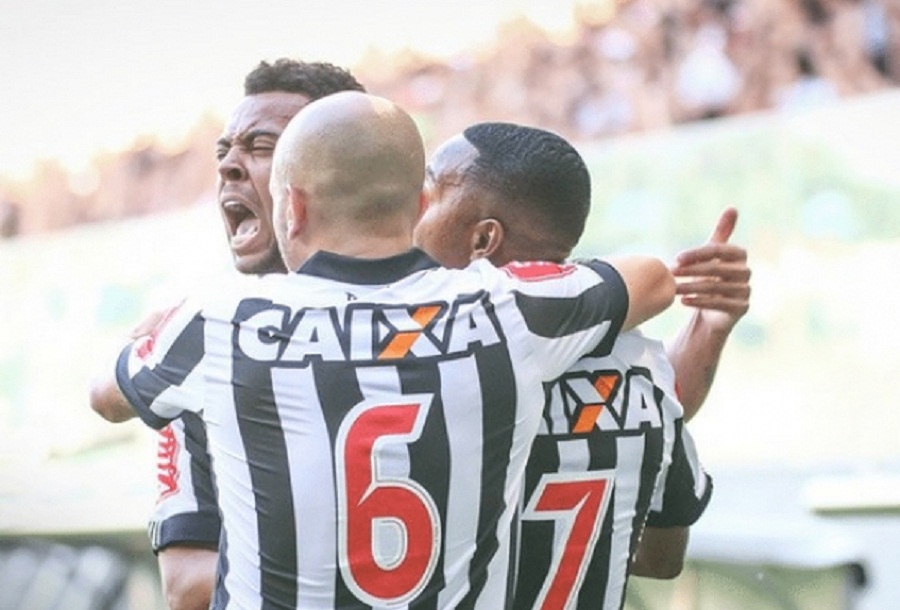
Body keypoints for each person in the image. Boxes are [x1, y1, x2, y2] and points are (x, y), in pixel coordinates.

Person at [90, 91, 675, 609]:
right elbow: (652, 278)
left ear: (293, 208)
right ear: (419, 205)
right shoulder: (506, 309)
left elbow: (106, 397)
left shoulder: (216, 323)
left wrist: (153, 330)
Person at [411, 122, 750, 609]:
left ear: (484, 238)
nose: (414, 208)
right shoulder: (642, 364)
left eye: (431, 192)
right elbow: (661, 556)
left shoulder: (432, 363)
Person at [145, 58, 366, 610]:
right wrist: (385, 569)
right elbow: (187, 584)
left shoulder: (454, 319)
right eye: (223, 151)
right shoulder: (203, 346)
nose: (228, 166)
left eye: (261, 146)